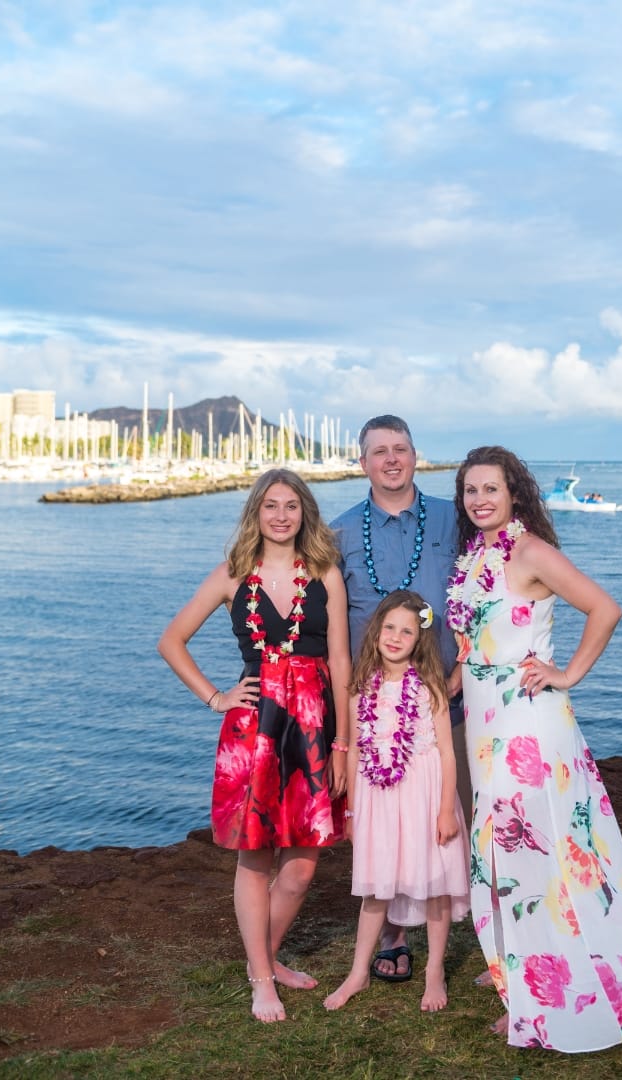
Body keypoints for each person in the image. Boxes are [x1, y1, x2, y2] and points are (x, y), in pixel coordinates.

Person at [448, 446, 622, 1053]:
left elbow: (604, 608)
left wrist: (567, 673)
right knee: (502, 851)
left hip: (528, 724)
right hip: (484, 722)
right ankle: (519, 971)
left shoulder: (530, 551)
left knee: (531, 853)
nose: (480, 500)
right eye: (470, 490)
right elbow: (478, 639)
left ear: (514, 494)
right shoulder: (475, 555)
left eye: (491, 489)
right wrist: (451, 679)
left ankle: (548, 997)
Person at [157, 468, 350, 1024]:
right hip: (255, 731)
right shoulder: (231, 575)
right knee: (256, 856)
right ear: (256, 513)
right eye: (271, 505)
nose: (281, 515)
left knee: (303, 865)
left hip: (314, 727)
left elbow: (340, 661)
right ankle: (263, 978)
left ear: (304, 512)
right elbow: (171, 641)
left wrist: (344, 742)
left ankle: (261, 956)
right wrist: (216, 697)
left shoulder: (325, 573)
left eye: (291, 505)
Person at [330, 414, 471, 982]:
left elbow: (485, 591)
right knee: (387, 824)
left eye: (401, 448)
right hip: (375, 711)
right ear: (362, 462)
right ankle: (393, 934)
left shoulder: (453, 517)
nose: (391, 459)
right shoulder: (339, 534)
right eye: (379, 451)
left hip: (447, 699)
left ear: (415, 455)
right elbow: (331, 629)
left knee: (454, 816)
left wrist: (464, 666)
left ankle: (490, 930)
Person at [322, 590, 469, 1013]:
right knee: (377, 885)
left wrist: (446, 810)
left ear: (419, 639)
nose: (395, 637)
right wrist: (352, 810)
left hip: (424, 796)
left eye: (406, 631)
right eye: (389, 627)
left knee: (436, 885)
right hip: (379, 798)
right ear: (376, 631)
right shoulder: (360, 688)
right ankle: (358, 972)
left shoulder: (429, 687)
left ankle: (435, 971)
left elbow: (446, 753)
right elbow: (355, 752)